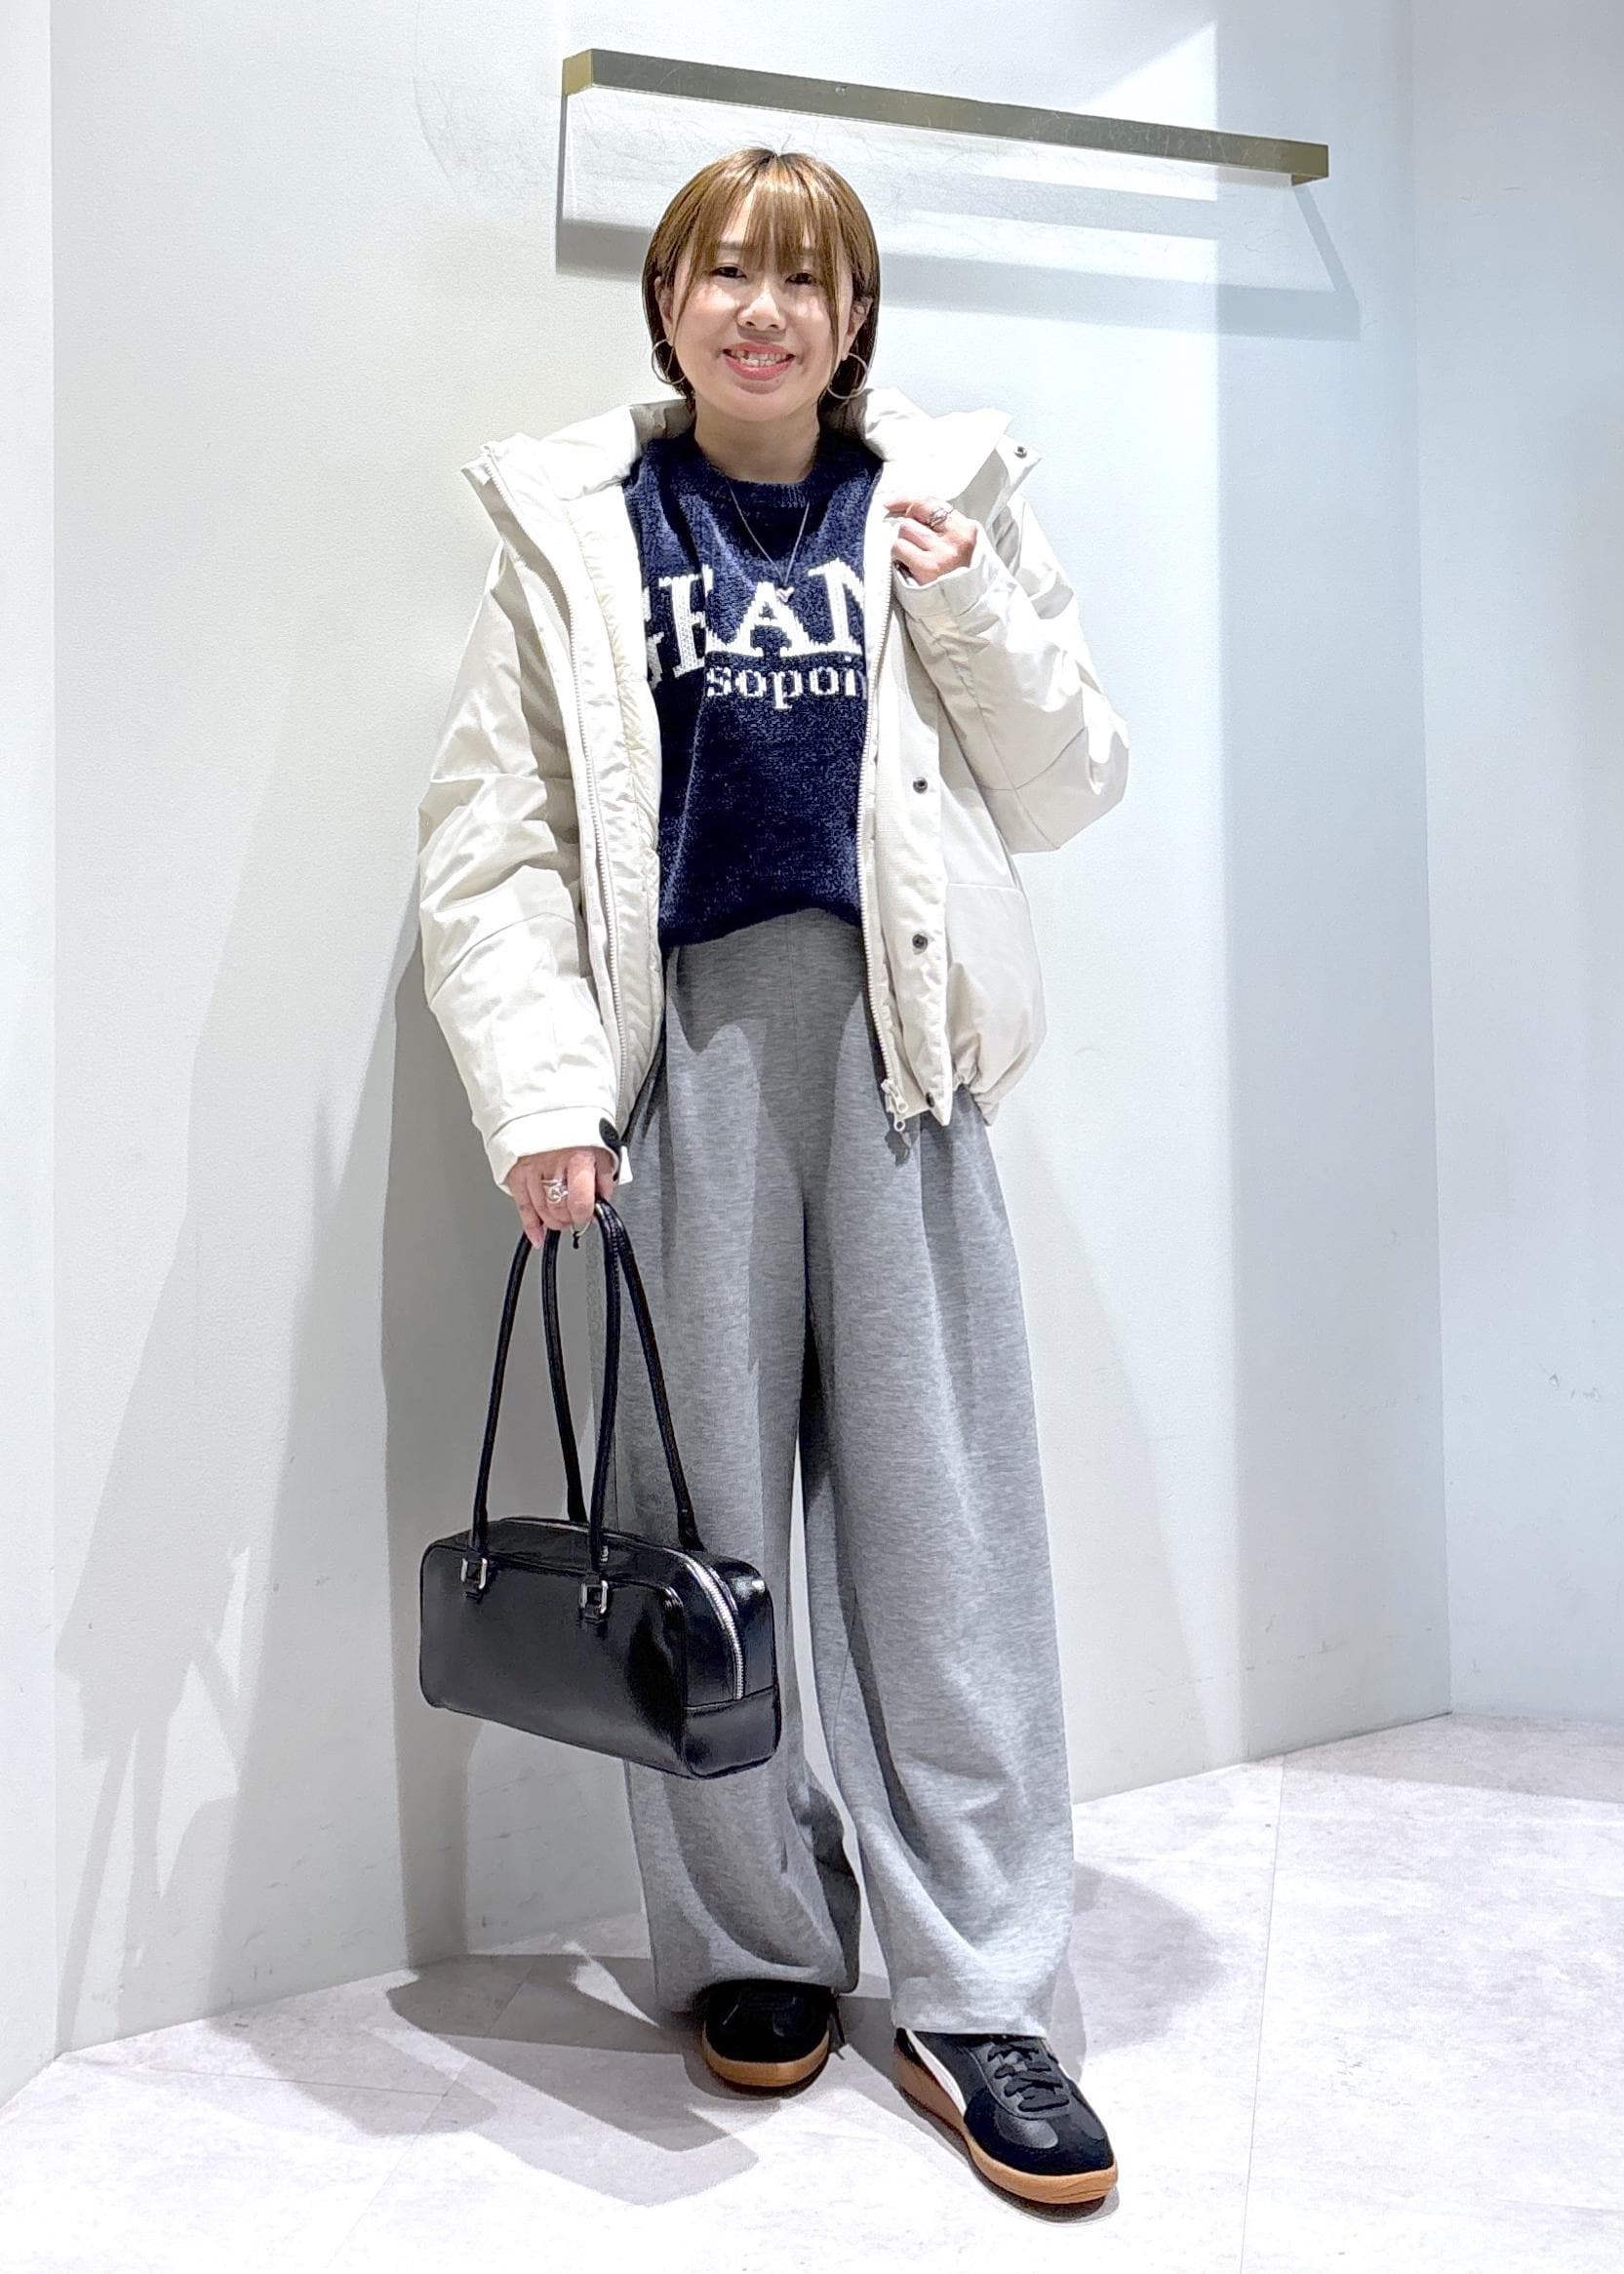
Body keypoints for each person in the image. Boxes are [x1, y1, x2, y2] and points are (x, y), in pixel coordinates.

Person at [416, 144, 1129, 2211]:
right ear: (664, 302)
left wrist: (961, 597)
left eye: (802, 277)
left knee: (944, 1541)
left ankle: (978, 1992)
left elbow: (1070, 782)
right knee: (694, 1536)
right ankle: (752, 1941)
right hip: (680, 1071)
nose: (760, 308)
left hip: (897, 1062)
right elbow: (493, 844)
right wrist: (546, 1094)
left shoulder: (944, 497)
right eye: (721, 270)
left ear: (852, 315)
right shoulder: (578, 527)